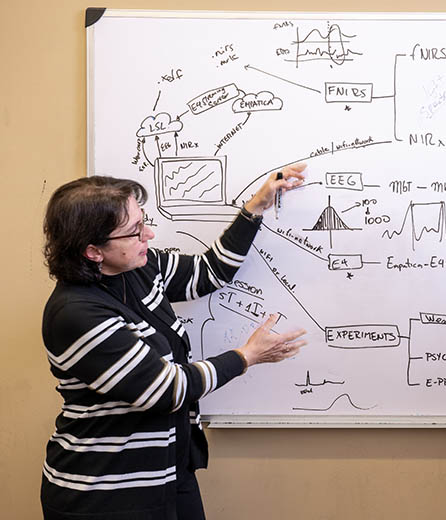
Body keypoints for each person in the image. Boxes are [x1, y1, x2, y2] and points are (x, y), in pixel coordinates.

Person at [40, 164, 308, 520]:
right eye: (135, 231)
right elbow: (167, 389)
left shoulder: (139, 268)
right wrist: (246, 357)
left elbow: (210, 272)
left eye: (143, 221)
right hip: (107, 492)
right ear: (93, 252)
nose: (148, 234)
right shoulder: (76, 313)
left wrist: (254, 209)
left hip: (168, 470)